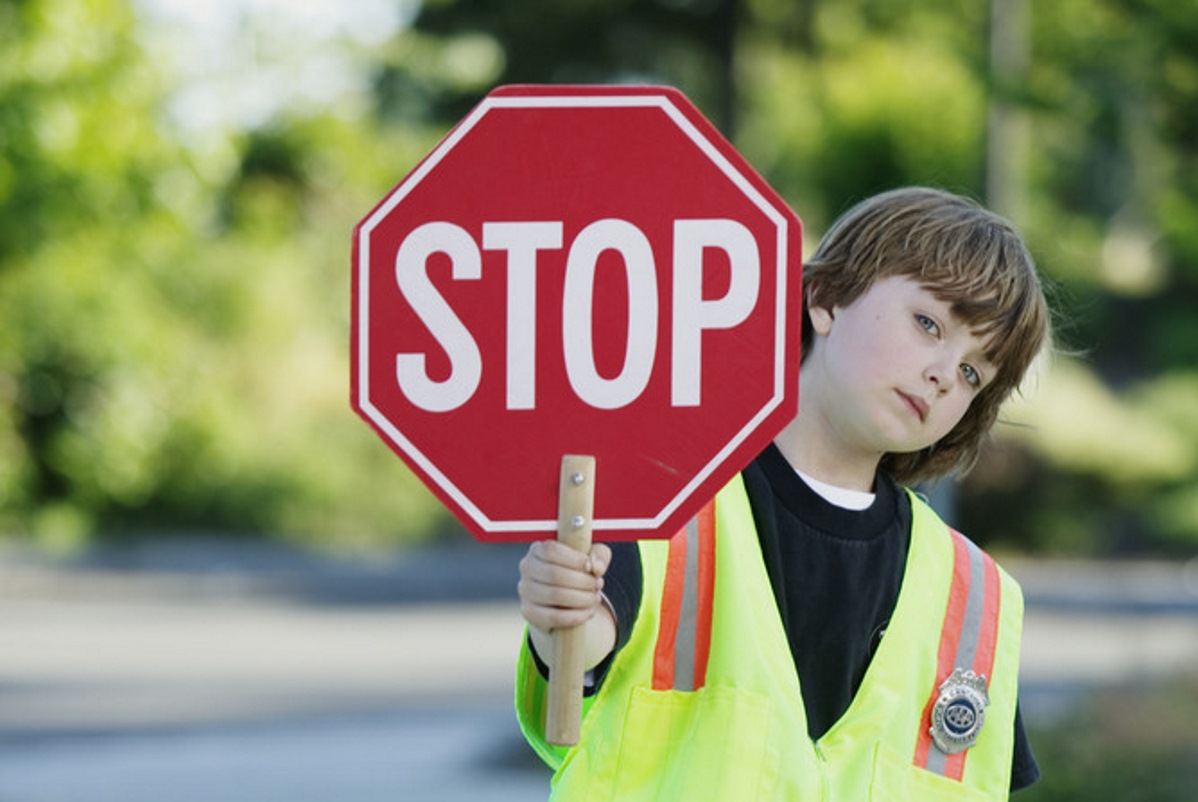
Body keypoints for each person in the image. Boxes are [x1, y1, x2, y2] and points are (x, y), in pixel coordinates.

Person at [515, 186, 1051, 800]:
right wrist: (558, 606)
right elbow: (578, 646)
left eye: (971, 373)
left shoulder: (977, 598)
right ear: (825, 299)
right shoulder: (670, 499)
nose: (942, 374)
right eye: (928, 323)